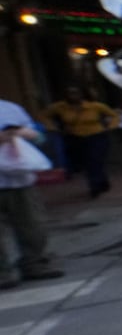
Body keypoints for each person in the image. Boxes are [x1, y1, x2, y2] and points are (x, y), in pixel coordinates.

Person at [0, 100, 64, 289]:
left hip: (21, 181)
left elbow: (38, 137)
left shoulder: (11, 108)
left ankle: (34, 264)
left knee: (33, 225)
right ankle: (3, 273)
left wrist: (27, 134)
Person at [44, 86, 116, 198]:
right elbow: (45, 116)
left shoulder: (95, 106)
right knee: (85, 162)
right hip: (75, 137)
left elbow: (113, 115)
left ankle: (94, 186)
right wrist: (53, 128)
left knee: (95, 159)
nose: (73, 96)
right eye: (70, 93)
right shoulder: (60, 107)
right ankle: (101, 181)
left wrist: (110, 127)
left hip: (95, 135)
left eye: (76, 93)